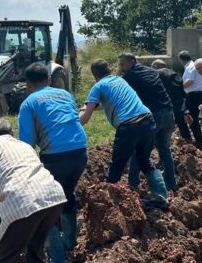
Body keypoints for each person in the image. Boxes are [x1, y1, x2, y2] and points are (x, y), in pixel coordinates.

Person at [0, 119, 66, 263]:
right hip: (54, 196)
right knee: (36, 250)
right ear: (12, 133)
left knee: (6, 258)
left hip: (22, 203)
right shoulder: (24, 145)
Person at [18, 63, 88, 263]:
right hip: (80, 151)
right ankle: (70, 240)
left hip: (56, 157)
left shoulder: (28, 104)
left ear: (28, 84)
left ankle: (57, 261)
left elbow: (26, 144)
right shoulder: (64, 95)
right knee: (67, 194)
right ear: (49, 79)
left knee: (46, 207)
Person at [79, 59, 168, 208]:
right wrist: (88, 106)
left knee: (117, 164)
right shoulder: (120, 80)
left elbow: (85, 118)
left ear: (94, 74)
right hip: (147, 120)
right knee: (144, 160)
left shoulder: (98, 86)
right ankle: (161, 197)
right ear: (109, 69)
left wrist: (72, 121)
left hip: (129, 125)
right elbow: (105, 104)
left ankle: (107, 201)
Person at [118, 53, 177, 192]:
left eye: (123, 64)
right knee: (164, 149)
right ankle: (171, 182)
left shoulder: (129, 76)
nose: (121, 67)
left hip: (153, 116)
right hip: (168, 112)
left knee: (138, 149)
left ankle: (133, 184)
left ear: (132, 62)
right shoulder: (150, 70)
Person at [151, 59, 188, 149]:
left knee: (159, 131)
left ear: (155, 66)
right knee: (182, 125)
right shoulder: (175, 74)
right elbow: (183, 92)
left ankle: (157, 148)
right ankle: (188, 145)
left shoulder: (156, 74)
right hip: (178, 105)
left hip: (165, 106)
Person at [178, 50, 202, 148]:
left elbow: (189, 82)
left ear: (181, 59)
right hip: (196, 94)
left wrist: (179, 88)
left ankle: (197, 141)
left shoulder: (190, 67)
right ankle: (197, 140)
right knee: (192, 118)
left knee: (191, 118)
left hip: (193, 95)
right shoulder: (192, 65)